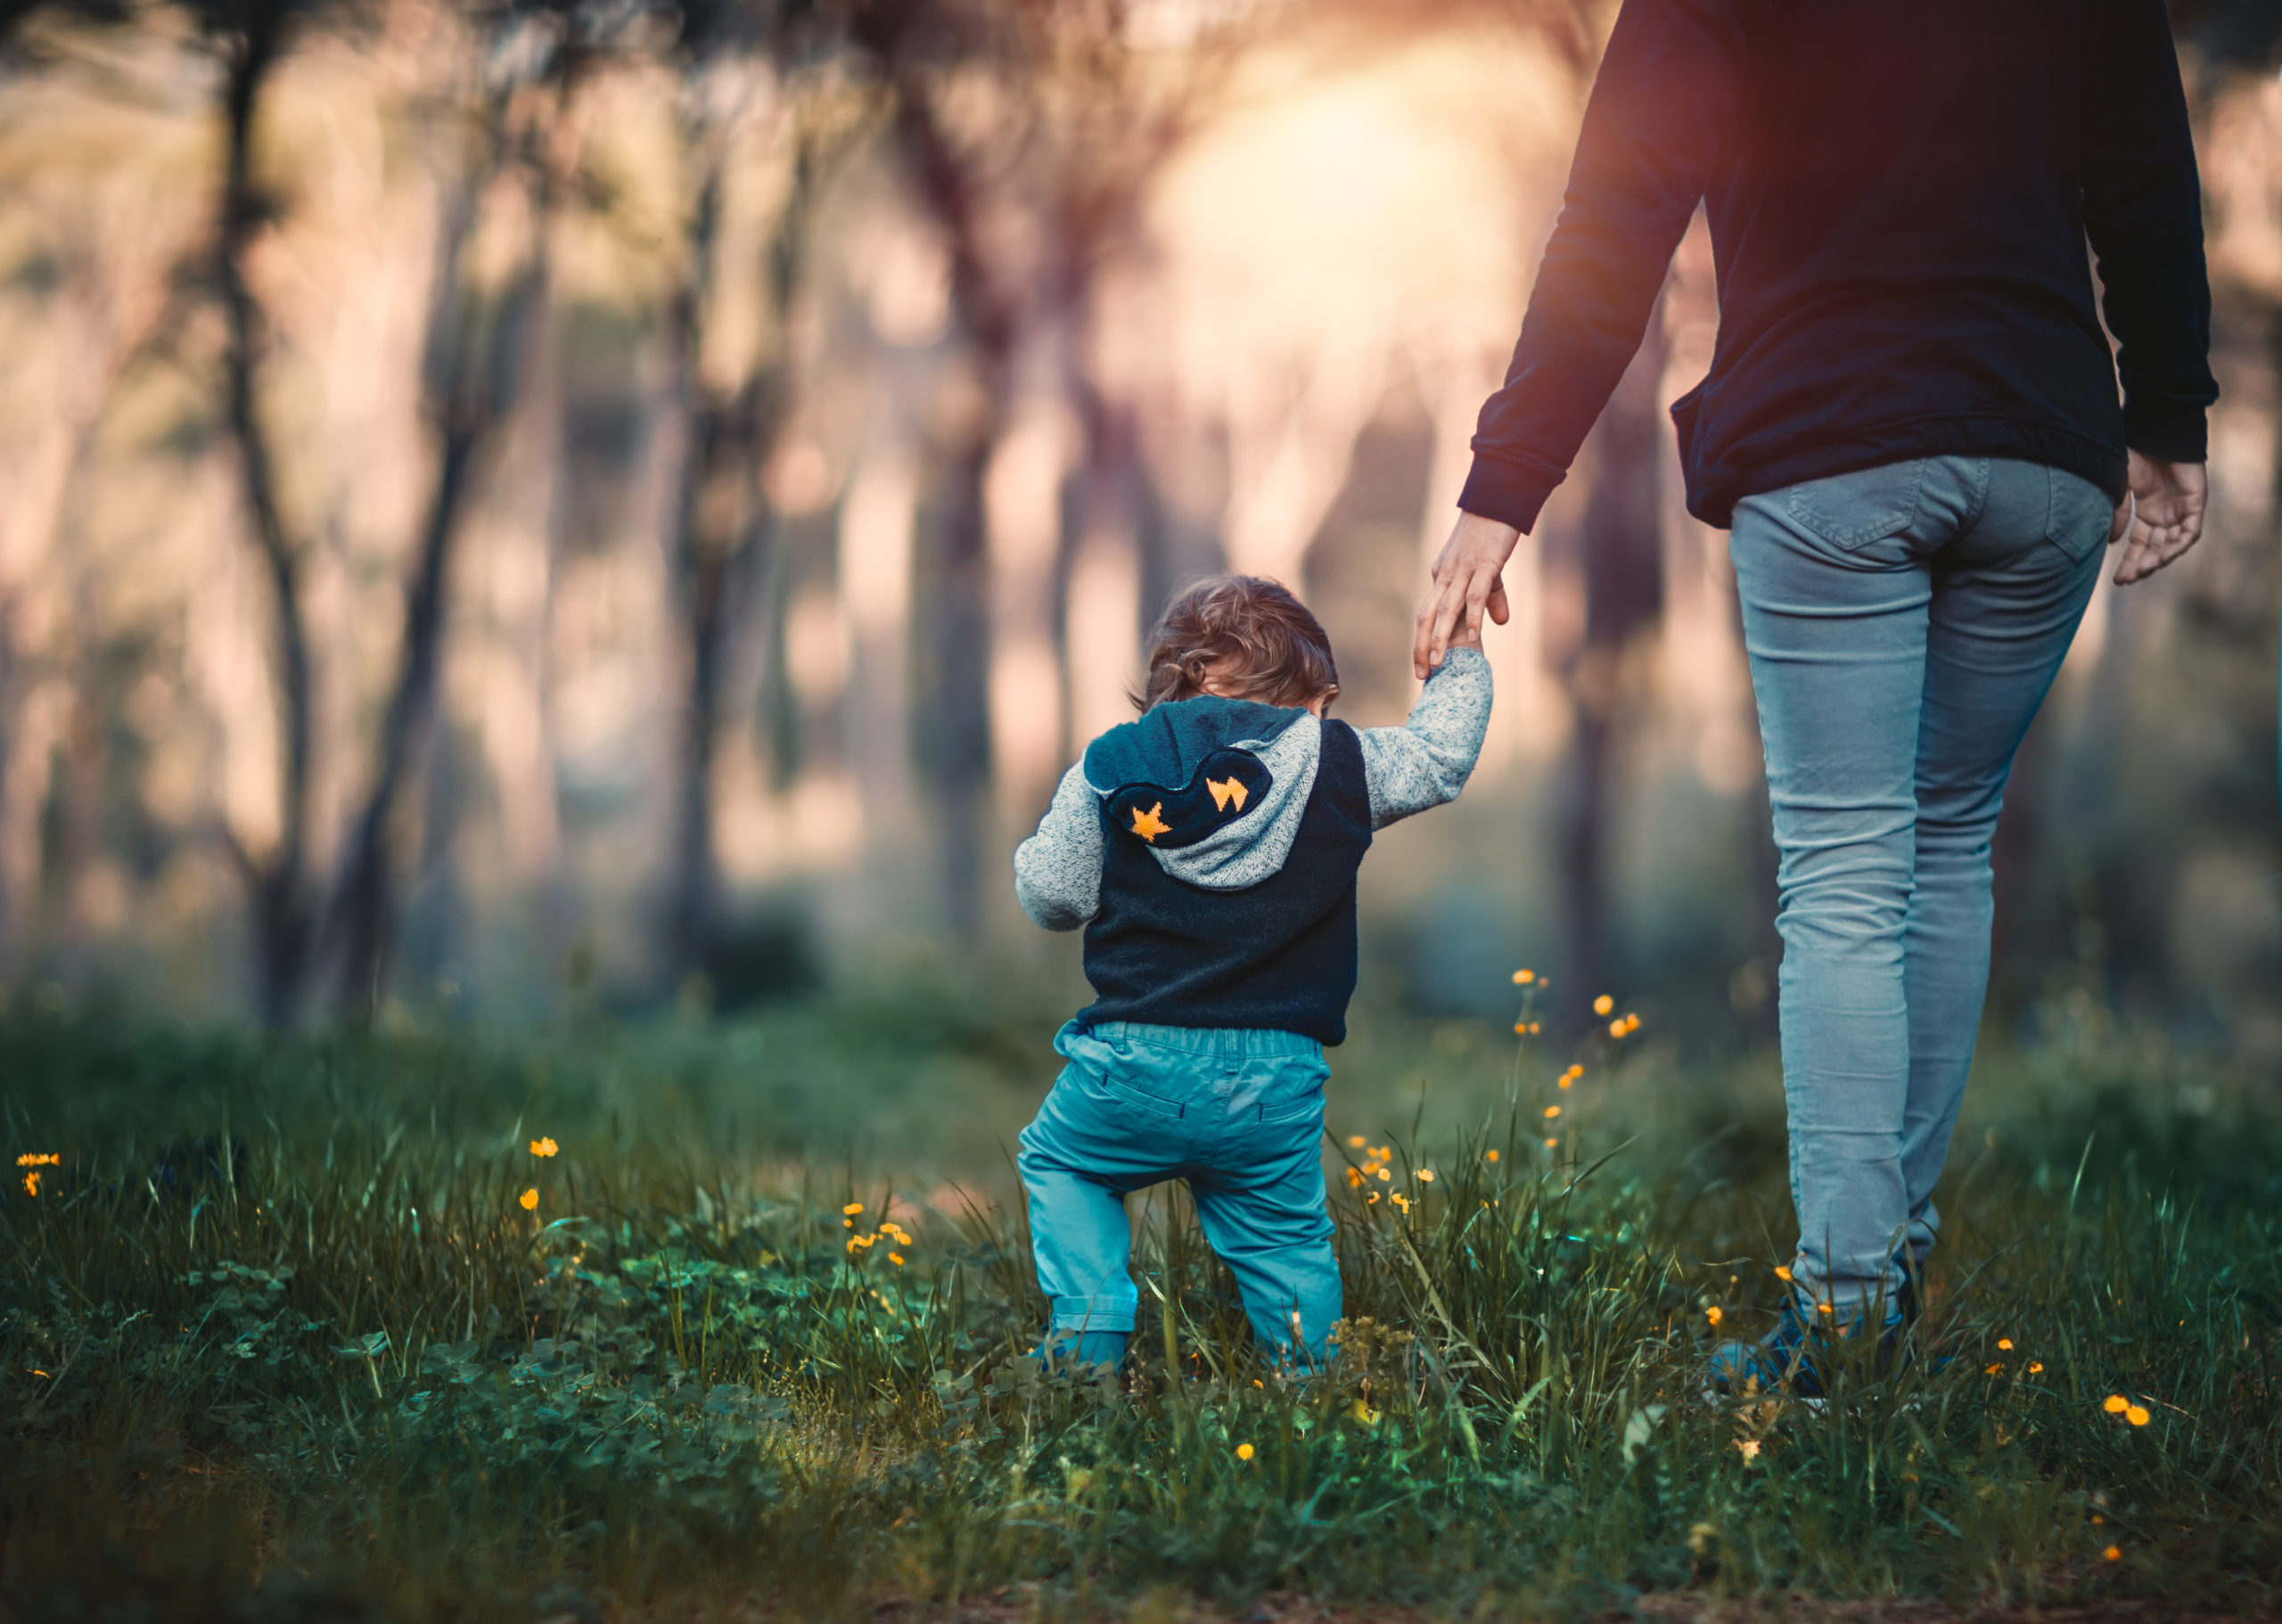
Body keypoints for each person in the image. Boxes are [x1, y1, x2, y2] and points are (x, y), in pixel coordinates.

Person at [1411, 3, 2215, 1392]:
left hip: (1835, 442)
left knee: (1847, 863)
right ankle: (1884, 1275)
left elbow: (1616, 214)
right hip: (2043, 454)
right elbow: (2145, 168)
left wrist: (1504, 485)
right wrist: (2171, 419)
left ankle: (1844, 1316)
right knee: (1946, 841)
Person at [1013, 575, 1491, 1372]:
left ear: (1176, 677)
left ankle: (1088, 1344)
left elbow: (1054, 896)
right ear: (1315, 694)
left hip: (1132, 1066)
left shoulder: (1111, 767)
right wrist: (1462, 654)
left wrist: (1046, 850)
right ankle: (1316, 1394)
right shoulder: (1341, 761)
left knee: (1063, 1162)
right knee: (1286, 1241)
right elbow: (1440, 757)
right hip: (1277, 1077)